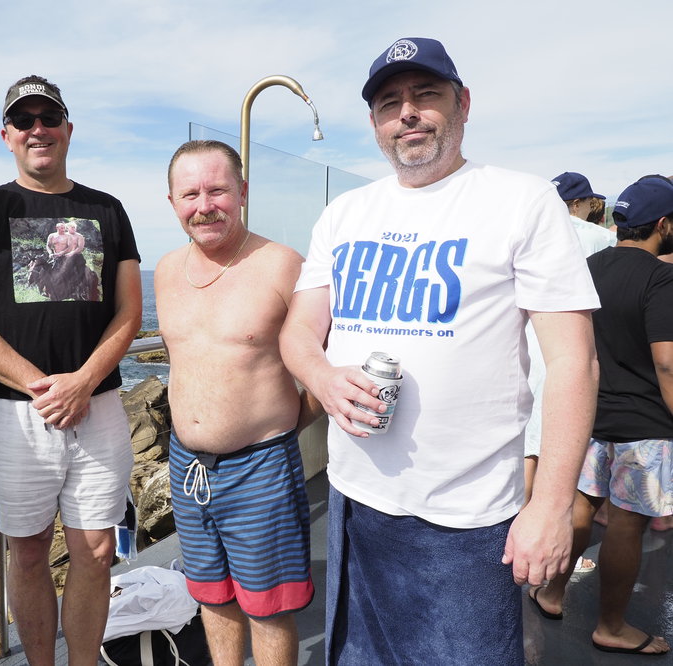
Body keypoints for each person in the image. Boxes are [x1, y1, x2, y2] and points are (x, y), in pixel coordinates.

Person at [279, 37, 600, 665]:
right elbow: (297, 332)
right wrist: (321, 375)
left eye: (426, 95)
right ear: (374, 123)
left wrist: (553, 505)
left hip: (470, 516)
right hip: (352, 500)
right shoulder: (344, 214)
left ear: (463, 104)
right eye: (389, 102)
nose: (408, 113)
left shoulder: (521, 200)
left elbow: (574, 362)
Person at [0, 74, 141, 666]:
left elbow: (130, 311)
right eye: (24, 121)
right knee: (26, 553)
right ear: (6, 134)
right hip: (13, 412)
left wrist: (81, 382)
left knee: (97, 549)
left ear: (68, 130)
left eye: (48, 118)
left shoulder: (106, 209)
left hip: (98, 405)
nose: (38, 130)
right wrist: (44, 387)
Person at [155, 140, 318, 665]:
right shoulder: (164, 271)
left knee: (269, 607)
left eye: (218, 190)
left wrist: (283, 428)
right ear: (173, 201)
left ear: (243, 192)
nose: (204, 205)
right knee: (211, 594)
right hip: (187, 466)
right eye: (190, 193)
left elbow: (326, 363)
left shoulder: (283, 266)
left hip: (261, 466)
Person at [532, 176, 673, 656]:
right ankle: (611, 625)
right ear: (664, 225)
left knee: (581, 509)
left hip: (589, 414)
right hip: (644, 426)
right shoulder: (661, 278)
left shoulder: (588, 267)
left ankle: (551, 592)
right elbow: (667, 362)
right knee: (628, 523)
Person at [521, 172, 616, 577]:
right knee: (555, 442)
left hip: (526, 341)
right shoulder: (598, 238)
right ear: (580, 203)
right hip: (570, 345)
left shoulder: (529, 226)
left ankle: (516, 526)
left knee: (527, 443)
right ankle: (552, 538)